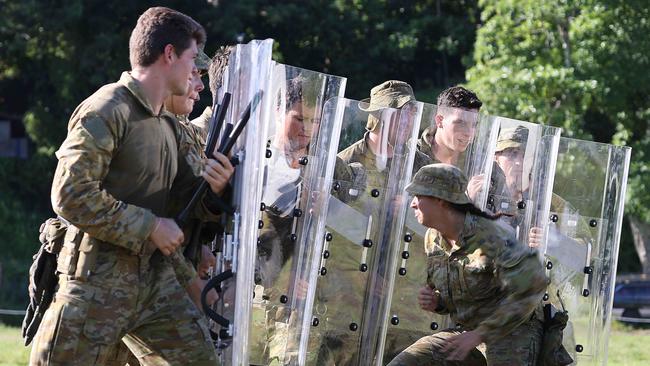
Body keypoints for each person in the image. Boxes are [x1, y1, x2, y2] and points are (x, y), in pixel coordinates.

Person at [29, 7, 232, 365]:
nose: (195, 73)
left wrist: (217, 188)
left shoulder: (169, 124)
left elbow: (188, 203)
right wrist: (149, 225)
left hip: (155, 283)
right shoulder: (108, 108)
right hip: (97, 284)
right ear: (169, 54)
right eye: (190, 60)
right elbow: (70, 194)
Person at [312, 80, 432, 364]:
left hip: (404, 303)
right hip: (349, 297)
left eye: (412, 113)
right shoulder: (345, 162)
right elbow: (329, 234)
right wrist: (362, 276)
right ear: (379, 117)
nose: (409, 120)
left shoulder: (422, 167)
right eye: (401, 113)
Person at [388, 163, 547, 365]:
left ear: (440, 200)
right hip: (466, 334)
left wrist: (480, 334)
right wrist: (438, 302)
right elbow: (464, 293)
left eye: (419, 196)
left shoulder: (490, 236)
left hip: (512, 333)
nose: (412, 204)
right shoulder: (433, 237)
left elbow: (535, 284)